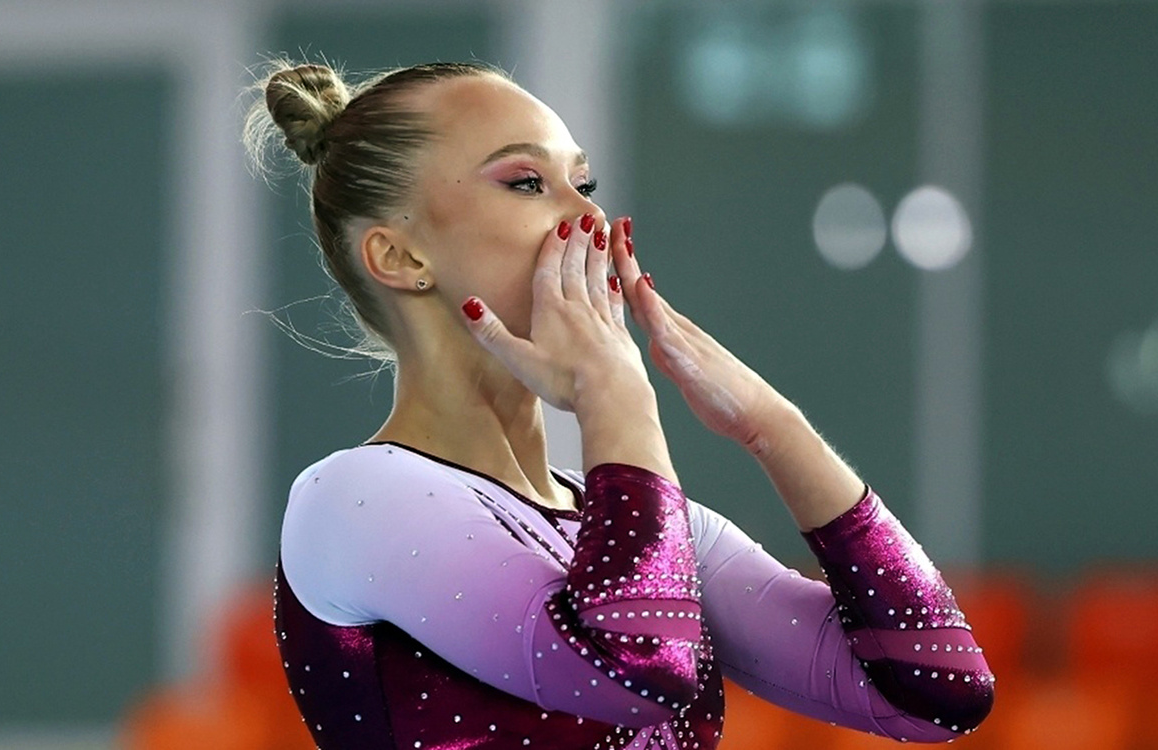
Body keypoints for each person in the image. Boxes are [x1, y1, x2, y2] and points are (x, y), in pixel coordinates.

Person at [244, 58, 995, 750]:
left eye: (585, 185)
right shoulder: (354, 499)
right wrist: (617, 394)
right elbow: (635, 669)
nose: (592, 220)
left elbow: (938, 692)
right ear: (400, 255)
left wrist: (774, 427)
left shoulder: (646, 527)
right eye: (527, 183)